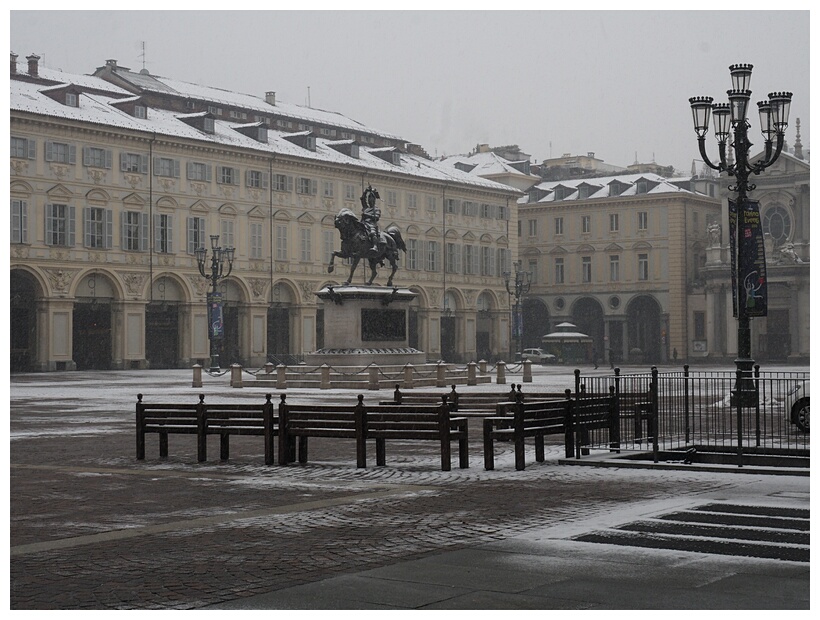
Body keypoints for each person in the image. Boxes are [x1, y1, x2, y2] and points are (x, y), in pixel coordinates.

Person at [360, 184, 381, 253]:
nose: (369, 200)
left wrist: (367, 214)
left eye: (371, 199)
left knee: (372, 232)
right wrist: (366, 191)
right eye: (369, 198)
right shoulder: (366, 207)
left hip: (371, 224)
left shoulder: (376, 210)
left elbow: (376, 217)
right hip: (363, 223)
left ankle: (375, 246)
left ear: (374, 200)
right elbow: (363, 199)